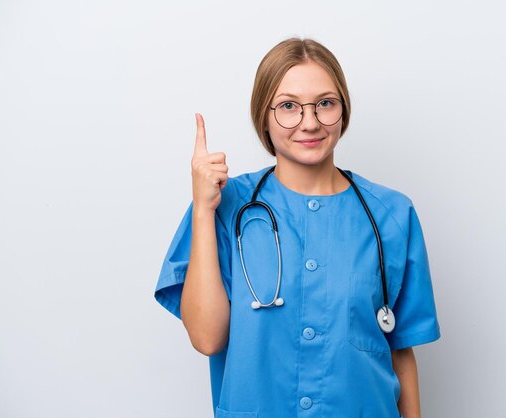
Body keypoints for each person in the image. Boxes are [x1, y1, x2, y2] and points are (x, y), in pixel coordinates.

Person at [155, 38, 440, 418]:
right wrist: (204, 211)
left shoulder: (392, 214)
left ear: (343, 110)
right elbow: (208, 338)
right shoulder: (225, 205)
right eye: (289, 106)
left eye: (325, 103)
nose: (310, 122)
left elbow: (401, 351)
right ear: (264, 115)